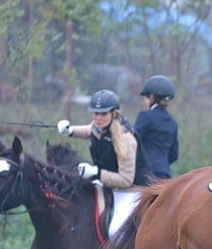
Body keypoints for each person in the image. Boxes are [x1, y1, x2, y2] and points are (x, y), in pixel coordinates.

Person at [57, 89, 152, 237]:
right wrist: (70, 131)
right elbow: (89, 130)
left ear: (114, 113)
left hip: (132, 191)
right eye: (95, 113)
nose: (98, 118)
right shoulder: (99, 127)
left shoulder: (125, 139)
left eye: (103, 114)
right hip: (110, 186)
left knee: (115, 231)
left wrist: (97, 173)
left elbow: (126, 180)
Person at [135, 75, 179, 179]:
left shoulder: (145, 116)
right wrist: (161, 162)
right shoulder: (172, 122)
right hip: (165, 174)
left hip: (145, 174)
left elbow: (133, 142)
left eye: (146, 97)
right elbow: (174, 154)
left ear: (152, 97)